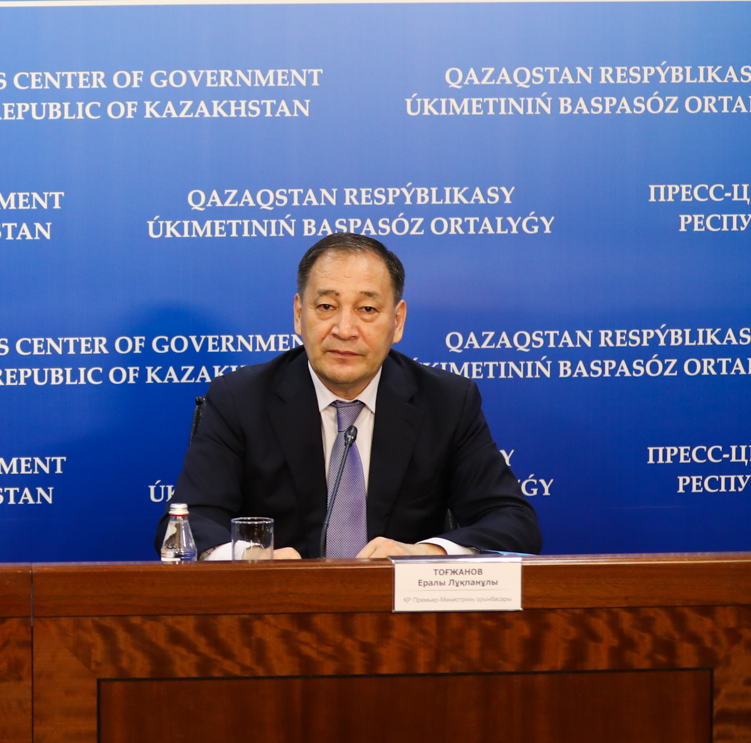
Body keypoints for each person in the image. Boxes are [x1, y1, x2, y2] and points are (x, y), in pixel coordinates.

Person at [158, 233, 540, 560]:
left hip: (403, 614)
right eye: (326, 306)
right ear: (298, 314)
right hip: (277, 611)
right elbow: (185, 524)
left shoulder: (446, 402)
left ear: (397, 321)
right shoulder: (241, 399)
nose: (344, 329)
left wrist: (425, 553)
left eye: (367, 309)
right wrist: (251, 557)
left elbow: (514, 522)